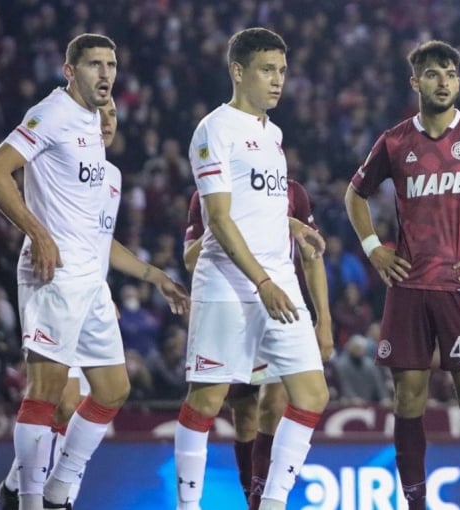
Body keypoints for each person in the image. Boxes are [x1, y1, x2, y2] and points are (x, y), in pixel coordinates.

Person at [0, 34, 188, 510]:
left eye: (111, 65)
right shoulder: (52, 113)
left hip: (90, 281)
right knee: (49, 394)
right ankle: (28, 501)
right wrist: (39, 233)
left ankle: (57, 490)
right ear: (70, 70)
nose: (106, 73)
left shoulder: (94, 123)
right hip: (54, 274)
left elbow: (96, 232)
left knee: (114, 389)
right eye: (95, 64)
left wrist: (154, 276)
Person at [345, 40, 460, 509]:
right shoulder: (394, 141)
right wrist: (374, 249)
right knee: (408, 400)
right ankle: (415, 503)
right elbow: (354, 194)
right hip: (408, 287)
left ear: (458, 81)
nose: (443, 81)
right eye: (432, 74)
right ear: (416, 82)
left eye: (450, 73)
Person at [174, 28, 329, 510]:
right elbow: (219, 219)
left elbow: (253, 205)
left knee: (313, 395)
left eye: (282, 71)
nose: (278, 80)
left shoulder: (273, 134)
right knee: (206, 401)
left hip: (279, 280)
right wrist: (260, 281)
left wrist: (291, 225)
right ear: (238, 71)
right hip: (228, 282)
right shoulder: (214, 129)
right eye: (267, 70)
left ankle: (273, 503)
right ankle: (187, 505)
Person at [182, 180, 333, 509]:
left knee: (276, 403)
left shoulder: (291, 192)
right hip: (231, 303)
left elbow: (311, 255)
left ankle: (262, 502)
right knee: (244, 412)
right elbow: (191, 259)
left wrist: (324, 319)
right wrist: (230, 222)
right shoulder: (208, 192)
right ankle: (238, 496)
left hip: (278, 304)